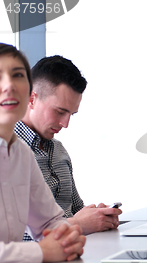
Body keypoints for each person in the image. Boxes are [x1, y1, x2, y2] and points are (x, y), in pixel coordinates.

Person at [15, 55, 122, 237]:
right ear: (32, 98)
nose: (65, 124)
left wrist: (98, 216)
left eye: (71, 114)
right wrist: (77, 224)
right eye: (60, 111)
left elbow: (75, 209)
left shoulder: (59, 151)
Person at [0, 43, 86, 262]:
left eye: (18, 75)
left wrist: (68, 236)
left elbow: (50, 222)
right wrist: (42, 252)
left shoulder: (20, 154)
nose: (10, 87)